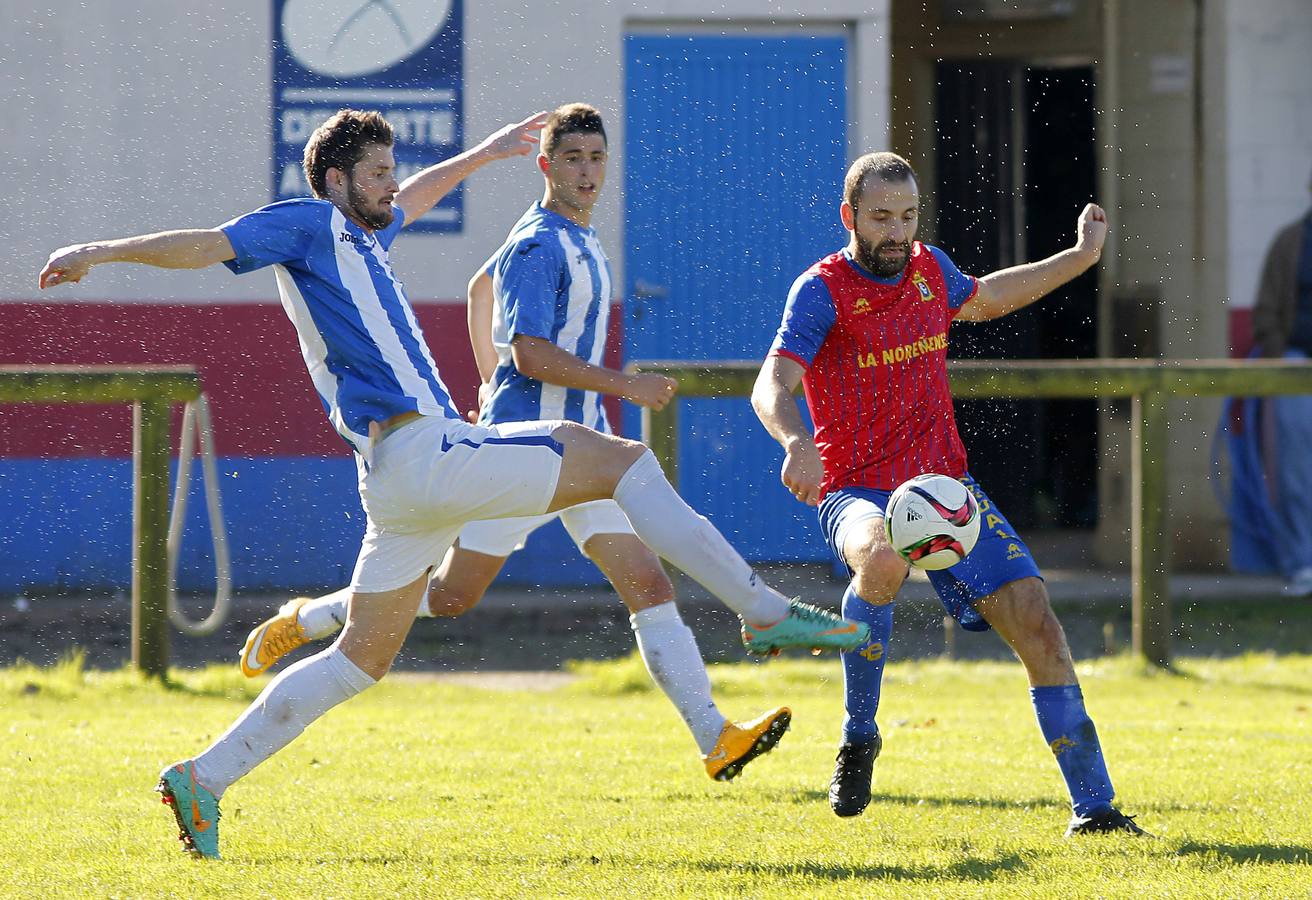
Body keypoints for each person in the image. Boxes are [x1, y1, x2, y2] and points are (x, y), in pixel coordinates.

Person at [38, 108, 869, 859]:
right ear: (334, 182)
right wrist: (98, 253)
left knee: (359, 662)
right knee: (613, 458)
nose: (390, 186)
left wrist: (486, 151)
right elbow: (208, 244)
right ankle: (761, 612)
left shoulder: (365, 234)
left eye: (390, 172)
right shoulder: (307, 224)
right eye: (374, 174)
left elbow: (422, 197)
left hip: (400, 484)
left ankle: (203, 779)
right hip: (425, 454)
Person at [238, 103, 792, 783]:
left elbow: (478, 287)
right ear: (546, 165)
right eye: (572, 158)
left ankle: (715, 736)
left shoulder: (585, 238)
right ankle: (318, 615)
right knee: (447, 597)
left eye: (596, 159)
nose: (587, 172)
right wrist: (505, 384)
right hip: (526, 443)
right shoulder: (538, 239)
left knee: (647, 581)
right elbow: (513, 332)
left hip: (586, 449)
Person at [751, 152, 1146, 836]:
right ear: (850, 217)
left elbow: (989, 297)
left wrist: (1080, 258)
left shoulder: (931, 269)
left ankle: (1097, 810)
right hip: (857, 491)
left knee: (1038, 623)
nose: (897, 233)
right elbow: (772, 384)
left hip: (947, 492)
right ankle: (859, 735)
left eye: (907, 217)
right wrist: (795, 442)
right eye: (881, 218)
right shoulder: (821, 290)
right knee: (881, 559)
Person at [1241, 194, 1312, 596]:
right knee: (1296, 471)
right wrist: (1277, 353)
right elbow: (1265, 311)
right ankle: (1300, 564)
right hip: (1296, 363)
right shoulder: (1291, 242)